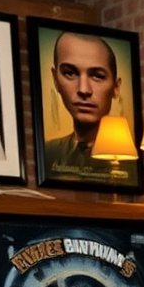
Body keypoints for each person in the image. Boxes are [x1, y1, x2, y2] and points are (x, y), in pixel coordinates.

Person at [42, 31, 123, 181]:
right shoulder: (48, 151)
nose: (84, 89)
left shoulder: (126, 158)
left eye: (97, 76)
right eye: (70, 73)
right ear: (55, 79)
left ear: (116, 87)